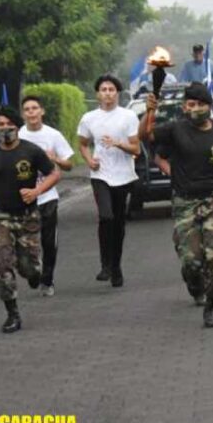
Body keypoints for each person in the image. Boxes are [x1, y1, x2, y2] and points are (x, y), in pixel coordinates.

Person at [139, 82, 213, 328]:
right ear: (185, 106)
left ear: (209, 106)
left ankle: (211, 306)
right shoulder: (175, 130)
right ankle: (195, 286)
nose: (196, 109)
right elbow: (146, 136)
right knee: (192, 261)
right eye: (191, 104)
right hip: (185, 203)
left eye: (201, 104)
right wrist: (149, 111)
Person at [0, 105, 61, 333]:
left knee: (29, 268)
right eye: (0, 125)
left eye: (9, 124)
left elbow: (55, 173)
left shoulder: (31, 151)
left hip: (27, 216)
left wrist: (36, 192)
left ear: (17, 126)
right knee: (1, 263)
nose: (5, 128)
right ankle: (12, 314)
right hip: (1, 216)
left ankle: (34, 273)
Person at [77, 74, 141, 287]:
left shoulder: (128, 116)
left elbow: (136, 149)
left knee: (118, 222)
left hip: (123, 175)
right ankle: (105, 265)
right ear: (97, 94)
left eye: (111, 89)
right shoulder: (89, 118)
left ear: (117, 93)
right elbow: (83, 144)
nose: (107, 93)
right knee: (106, 216)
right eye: (103, 89)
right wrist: (89, 160)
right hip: (101, 175)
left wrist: (118, 144)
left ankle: (116, 266)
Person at [18, 95, 75, 297]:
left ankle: (47, 279)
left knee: (49, 242)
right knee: (25, 242)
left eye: (35, 108)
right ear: (23, 113)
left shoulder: (53, 135)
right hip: (24, 199)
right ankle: (33, 272)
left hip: (47, 197)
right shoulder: (18, 137)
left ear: (42, 111)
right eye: (27, 109)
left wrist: (56, 158)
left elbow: (69, 165)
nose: (31, 112)